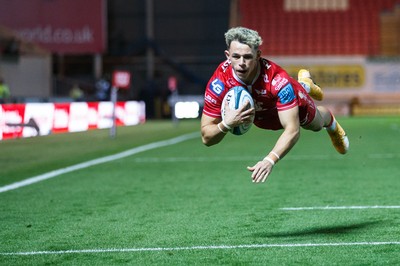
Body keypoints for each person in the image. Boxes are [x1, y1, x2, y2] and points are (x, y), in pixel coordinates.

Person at [201, 27, 349, 184]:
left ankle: (330, 122)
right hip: (259, 116)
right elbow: (206, 137)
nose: (241, 64)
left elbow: (292, 130)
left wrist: (269, 160)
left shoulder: (278, 80)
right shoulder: (219, 82)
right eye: (236, 57)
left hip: (285, 108)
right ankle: (305, 84)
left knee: (316, 124)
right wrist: (226, 124)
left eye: (247, 57)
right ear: (227, 55)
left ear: (258, 55)